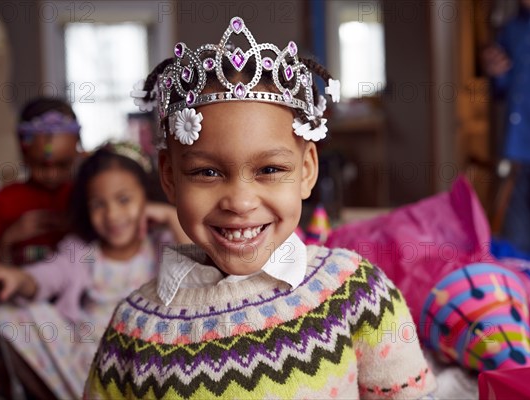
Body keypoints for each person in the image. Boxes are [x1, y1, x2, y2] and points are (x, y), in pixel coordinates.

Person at [85, 17, 436, 399]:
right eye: (207, 172)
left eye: (270, 169)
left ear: (306, 171)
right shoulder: (133, 329)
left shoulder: (356, 293)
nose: (240, 201)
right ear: (169, 177)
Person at [0, 142, 190, 398]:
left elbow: (196, 272)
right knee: (12, 313)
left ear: (145, 197)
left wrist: (170, 217)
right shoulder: (82, 251)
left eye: (124, 200)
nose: (112, 215)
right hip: (92, 357)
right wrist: (20, 277)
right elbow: (49, 274)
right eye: (98, 205)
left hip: (149, 352)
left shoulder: (162, 244)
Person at [0, 97, 83, 279]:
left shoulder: (83, 196)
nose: (52, 174)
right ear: (24, 153)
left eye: (63, 165)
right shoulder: (3, 201)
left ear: (76, 152)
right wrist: (8, 239)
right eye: (41, 165)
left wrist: (77, 228)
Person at [482, 0, 530, 265]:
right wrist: (496, 73)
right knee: (515, 250)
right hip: (518, 154)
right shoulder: (512, 29)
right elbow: (505, 88)